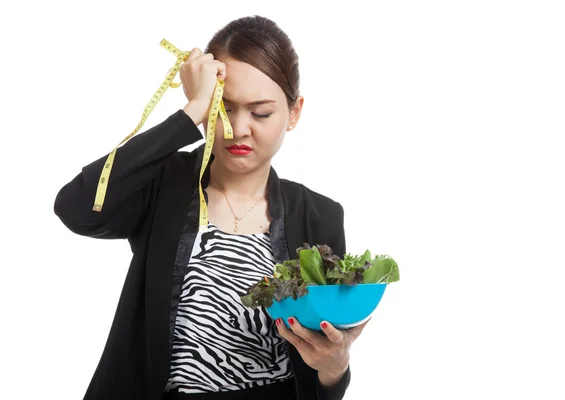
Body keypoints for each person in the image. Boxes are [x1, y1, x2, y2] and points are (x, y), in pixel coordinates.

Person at [54, 15, 368, 400]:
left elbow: (320, 369)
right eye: (223, 108)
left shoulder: (320, 215)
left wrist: (336, 370)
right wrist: (191, 111)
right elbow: (76, 208)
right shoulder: (163, 184)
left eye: (261, 112)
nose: (237, 128)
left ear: (294, 113)